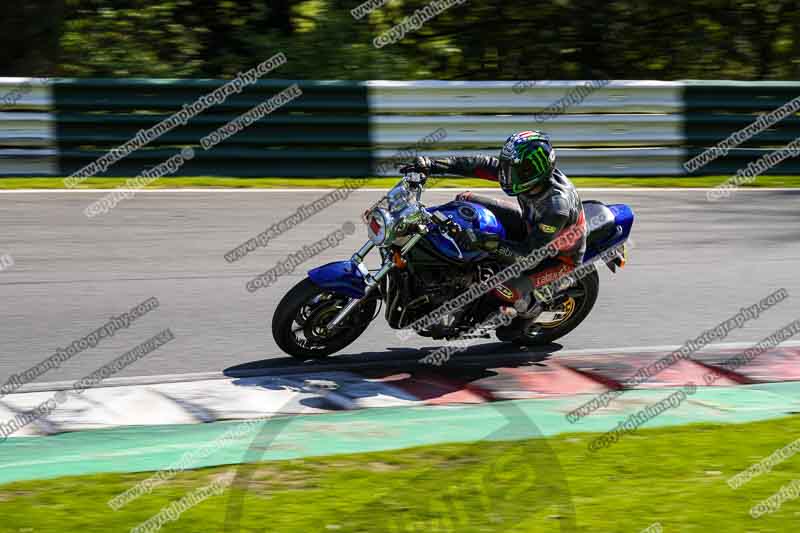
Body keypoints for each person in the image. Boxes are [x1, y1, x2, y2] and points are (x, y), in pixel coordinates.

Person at [400, 130, 586, 340]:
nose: (506, 174)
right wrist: (432, 165)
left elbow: (529, 256)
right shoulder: (526, 176)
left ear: (535, 171)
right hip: (531, 226)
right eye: (507, 167)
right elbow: (479, 164)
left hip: (556, 257)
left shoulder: (556, 208)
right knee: (466, 200)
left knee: (504, 289)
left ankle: (531, 310)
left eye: (515, 170)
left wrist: (487, 243)